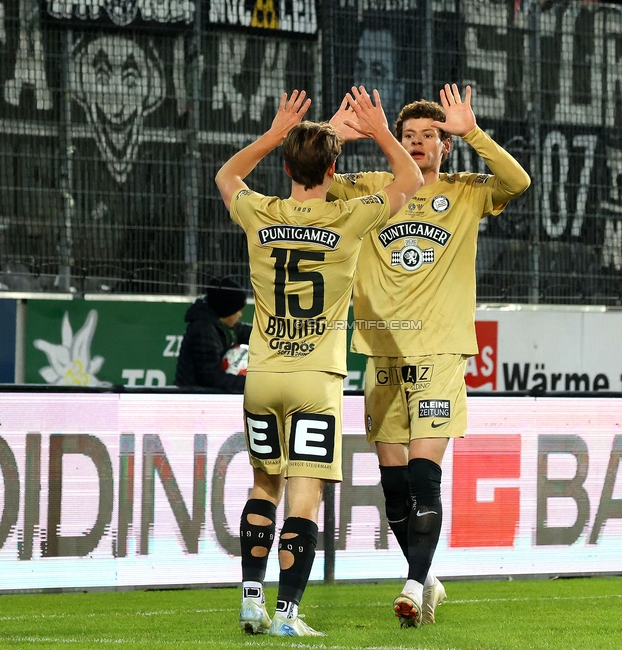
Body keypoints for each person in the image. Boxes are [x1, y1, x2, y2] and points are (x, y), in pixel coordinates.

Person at [215, 86, 422, 637]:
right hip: (316, 377)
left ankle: (250, 599)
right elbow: (410, 183)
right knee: (303, 494)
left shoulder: (261, 214)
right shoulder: (347, 218)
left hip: (261, 374)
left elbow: (227, 177)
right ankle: (287, 615)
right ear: (334, 169)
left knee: (265, 485)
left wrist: (276, 133)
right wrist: (379, 132)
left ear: (285, 163)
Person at [328, 83, 531, 627]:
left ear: (445, 146)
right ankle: (427, 574)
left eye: (430, 136)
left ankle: (415, 585)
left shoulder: (466, 191)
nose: (418, 142)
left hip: (440, 353)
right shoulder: (372, 187)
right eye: (408, 135)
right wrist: (332, 134)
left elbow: (518, 181)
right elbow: (309, 181)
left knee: (423, 477)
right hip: (382, 354)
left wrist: (475, 133)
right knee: (394, 488)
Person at [174, 277, 251, 393]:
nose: (240, 314)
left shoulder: (223, 325)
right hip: (193, 397)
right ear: (227, 311)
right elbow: (211, 378)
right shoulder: (203, 331)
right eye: (237, 311)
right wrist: (252, 384)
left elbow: (250, 332)